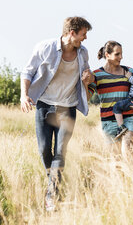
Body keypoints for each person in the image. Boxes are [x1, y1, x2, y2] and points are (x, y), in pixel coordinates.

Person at [20, 16, 92, 211]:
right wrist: (24, 96)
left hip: (67, 107)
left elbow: (87, 75)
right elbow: (27, 72)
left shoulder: (83, 53)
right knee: (44, 149)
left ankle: (52, 193)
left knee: (61, 150)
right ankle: (53, 180)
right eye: (83, 34)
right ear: (72, 33)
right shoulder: (45, 47)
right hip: (45, 105)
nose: (85, 39)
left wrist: (88, 78)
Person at [82, 41, 133, 160]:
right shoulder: (97, 75)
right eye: (117, 54)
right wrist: (85, 84)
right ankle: (123, 179)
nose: (121, 57)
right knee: (115, 159)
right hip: (108, 121)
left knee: (127, 150)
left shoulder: (129, 72)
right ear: (107, 55)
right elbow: (86, 98)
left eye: (121, 54)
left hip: (129, 117)